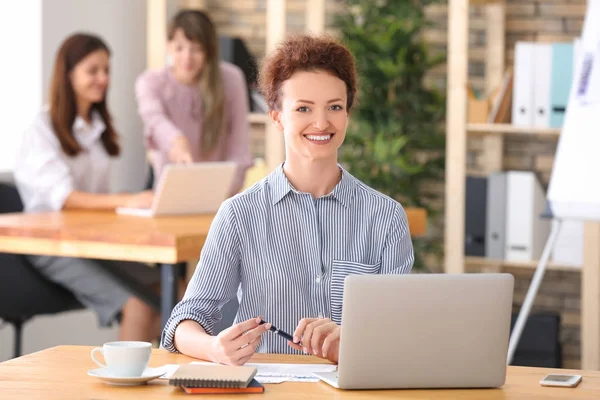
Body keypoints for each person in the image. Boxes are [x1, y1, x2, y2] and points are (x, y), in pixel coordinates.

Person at [161, 34, 414, 365]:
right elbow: (185, 321)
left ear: (347, 115)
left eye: (334, 107)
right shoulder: (239, 214)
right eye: (303, 108)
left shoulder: (385, 217)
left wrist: (351, 345)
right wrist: (214, 349)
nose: (321, 123)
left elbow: (401, 332)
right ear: (277, 117)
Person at [14, 33, 162, 341]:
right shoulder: (41, 128)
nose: (103, 78)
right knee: (138, 306)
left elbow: (93, 198)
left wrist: (124, 203)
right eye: (93, 70)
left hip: (91, 239)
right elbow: (65, 198)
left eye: (106, 70)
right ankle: (125, 389)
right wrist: (128, 199)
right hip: (51, 245)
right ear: (68, 74)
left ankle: (165, 381)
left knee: (173, 291)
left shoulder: (97, 126)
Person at [135, 9, 253, 195]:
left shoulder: (231, 79)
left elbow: (239, 146)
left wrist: (226, 190)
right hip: (171, 193)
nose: (187, 58)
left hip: (220, 195)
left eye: (197, 49)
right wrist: (176, 140)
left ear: (209, 50)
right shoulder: (150, 82)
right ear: (168, 46)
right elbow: (155, 119)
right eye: (180, 48)